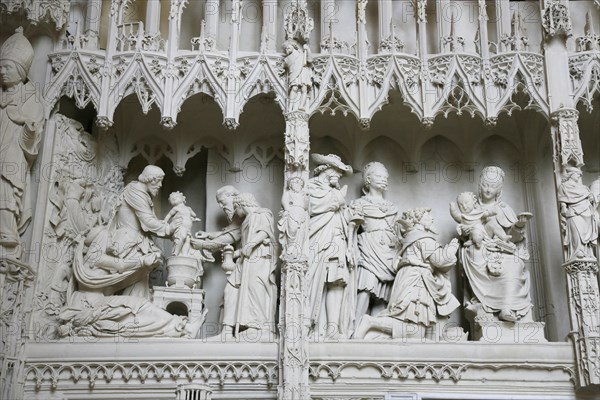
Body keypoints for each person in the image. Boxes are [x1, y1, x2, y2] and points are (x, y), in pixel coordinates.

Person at [59, 165, 202, 338]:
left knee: (140, 302)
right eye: (158, 182)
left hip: (126, 262)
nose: (159, 186)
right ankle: (178, 327)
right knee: (139, 305)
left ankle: (177, 328)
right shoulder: (134, 193)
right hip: (127, 247)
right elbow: (148, 222)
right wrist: (170, 229)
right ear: (150, 179)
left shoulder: (103, 241)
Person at [354, 208, 460, 340]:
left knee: (417, 334)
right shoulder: (423, 238)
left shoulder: (412, 237)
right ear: (418, 220)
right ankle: (370, 322)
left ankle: (373, 334)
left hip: (411, 279)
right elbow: (441, 261)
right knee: (415, 332)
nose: (432, 219)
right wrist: (451, 249)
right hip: (417, 283)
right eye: (428, 216)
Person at [459, 166, 534, 323]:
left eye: (492, 186)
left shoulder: (504, 209)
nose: (488, 190)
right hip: (481, 249)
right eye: (485, 185)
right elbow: (465, 229)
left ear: (499, 190)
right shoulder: (473, 207)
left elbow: (513, 239)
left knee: (514, 264)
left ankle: (506, 308)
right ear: (480, 186)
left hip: (502, 250)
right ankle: (484, 306)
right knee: (473, 252)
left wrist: (518, 226)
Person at [0, 27, 45, 259]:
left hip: (13, 154)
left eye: (8, 67)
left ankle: (7, 232)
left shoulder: (30, 96)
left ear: (20, 70)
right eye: (1, 67)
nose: (2, 72)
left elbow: (32, 137)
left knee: (7, 188)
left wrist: (26, 124)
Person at [307, 153, 355, 339]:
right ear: (325, 169)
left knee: (336, 282)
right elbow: (310, 207)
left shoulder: (335, 191)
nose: (339, 175)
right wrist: (337, 199)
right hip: (317, 240)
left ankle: (332, 329)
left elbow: (342, 214)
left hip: (337, 240)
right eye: (337, 171)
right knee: (313, 279)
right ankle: (309, 325)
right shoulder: (310, 187)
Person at [348, 162, 400, 326]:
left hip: (389, 253)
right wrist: (351, 249)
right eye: (379, 176)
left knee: (383, 295)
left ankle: (374, 333)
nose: (384, 180)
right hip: (369, 250)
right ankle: (353, 329)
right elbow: (351, 229)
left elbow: (398, 231)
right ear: (368, 179)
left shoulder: (392, 207)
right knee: (365, 289)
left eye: (386, 177)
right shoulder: (359, 204)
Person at [192, 185, 242, 338]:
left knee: (231, 293)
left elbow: (232, 235)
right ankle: (226, 331)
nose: (221, 206)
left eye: (222, 201)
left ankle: (228, 332)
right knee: (229, 295)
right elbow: (230, 231)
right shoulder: (238, 214)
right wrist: (208, 235)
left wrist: (204, 245)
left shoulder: (243, 211)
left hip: (249, 262)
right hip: (241, 262)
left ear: (232, 196)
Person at [230, 193, 278, 338]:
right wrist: (240, 252)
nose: (236, 213)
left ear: (241, 205)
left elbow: (265, 232)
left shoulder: (262, 213)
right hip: (250, 258)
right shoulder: (248, 218)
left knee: (257, 286)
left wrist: (250, 245)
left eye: (235, 208)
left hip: (261, 257)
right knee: (250, 288)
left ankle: (262, 324)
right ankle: (253, 324)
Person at [558, 166, 598, 261]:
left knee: (586, 234)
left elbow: (590, 196)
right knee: (577, 233)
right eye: (578, 174)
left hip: (587, 212)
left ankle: (588, 253)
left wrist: (592, 197)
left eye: (580, 175)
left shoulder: (583, 187)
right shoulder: (564, 186)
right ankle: (578, 251)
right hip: (574, 212)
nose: (579, 177)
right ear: (571, 175)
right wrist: (563, 208)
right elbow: (562, 198)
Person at [278, 176, 309, 260]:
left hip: (301, 213)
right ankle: (290, 247)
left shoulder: (303, 194)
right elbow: (284, 201)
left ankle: (298, 250)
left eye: (299, 184)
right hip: (292, 212)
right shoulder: (288, 193)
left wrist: (306, 198)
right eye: (294, 183)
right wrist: (287, 210)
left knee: (301, 231)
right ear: (290, 185)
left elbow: (306, 207)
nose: (297, 185)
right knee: (292, 229)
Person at [164, 191, 201, 257]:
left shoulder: (188, 208)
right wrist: (165, 221)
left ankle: (185, 254)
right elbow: (169, 215)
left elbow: (194, 215)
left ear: (182, 198)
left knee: (187, 241)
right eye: (172, 199)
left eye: (176, 197)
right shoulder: (176, 208)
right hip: (181, 227)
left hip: (188, 228)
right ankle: (176, 252)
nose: (174, 199)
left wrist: (194, 219)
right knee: (181, 237)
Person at [283, 39, 312, 112]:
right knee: (294, 88)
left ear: (293, 46)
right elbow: (286, 65)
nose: (287, 49)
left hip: (303, 72)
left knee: (304, 89)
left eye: (288, 47)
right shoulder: (288, 59)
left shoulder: (302, 54)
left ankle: (301, 105)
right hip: (294, 74)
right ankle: (290, 107)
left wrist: (308, 50)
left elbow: (310, 60)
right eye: (286, 48)